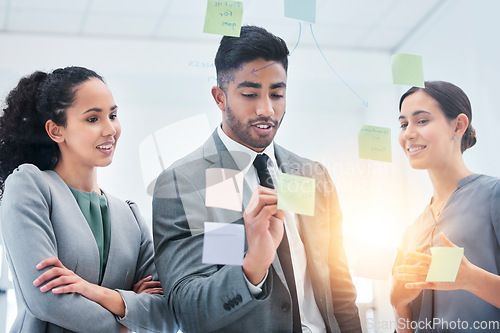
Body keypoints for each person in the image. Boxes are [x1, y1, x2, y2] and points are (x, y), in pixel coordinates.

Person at [152, 26, 361, 332]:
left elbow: (339, 290)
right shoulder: (185, 182)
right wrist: (252, 267)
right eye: (249, 94)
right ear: (220, 98)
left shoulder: (312, 176)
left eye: (277, 94)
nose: (266, 109)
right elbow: (188, 311)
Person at [0, 67, 176, 332]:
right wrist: (127, 322)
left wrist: (96, 292)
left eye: (113, 115)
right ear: (56, 130)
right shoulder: (30, 186)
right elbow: (45, 300)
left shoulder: (129, 216)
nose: (110, 130)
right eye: (93, 119)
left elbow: (166, 312)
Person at [391, 81, 500, 332]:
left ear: (458, 125)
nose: (408, 133)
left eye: (421, 121)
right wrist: (398, 305)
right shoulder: (412, 231)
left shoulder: (493, 195)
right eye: (403, 124)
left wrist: (471, 278)